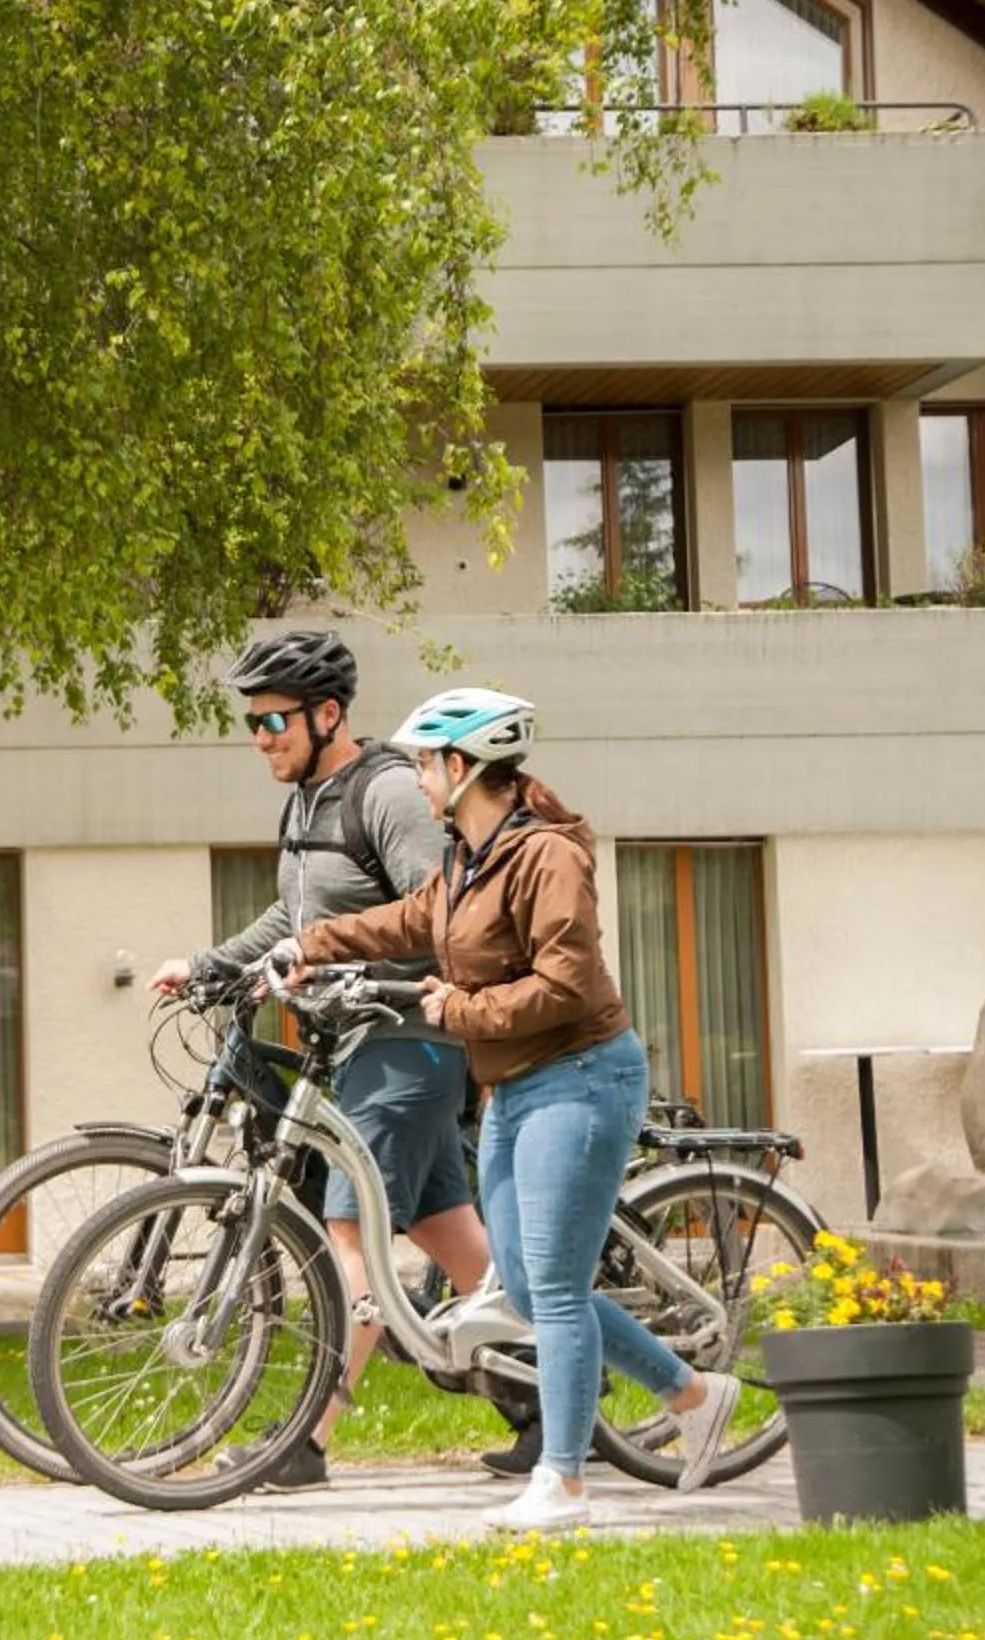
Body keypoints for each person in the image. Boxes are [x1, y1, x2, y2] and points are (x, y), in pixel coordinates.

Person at [280, 684, 742, 1532]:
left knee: (556, 1290)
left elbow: (563, 987)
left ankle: (563, 1482)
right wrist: (306, 943)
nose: (416, 777)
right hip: (513, 1084)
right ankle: (694, 1394)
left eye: (424, 762)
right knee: (528, 1288)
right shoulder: (464, 859)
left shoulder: (547, 858)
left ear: (462, 767)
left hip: (582, 1077)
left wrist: (456, 1013)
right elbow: (406, 919)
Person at [146, 629, 496, 1492]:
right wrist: (210, 964)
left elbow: (439, 913)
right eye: (252, 724)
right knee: (453, 1242)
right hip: (359, 1050)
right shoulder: (307, 802)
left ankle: (305, 1439)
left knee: (349, 1239)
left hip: (409, 1045)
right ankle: (551, 1395)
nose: (260, 738)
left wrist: (348, 969)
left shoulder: (385, 795)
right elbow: (293, 920)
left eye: (274, 721)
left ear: (326, 713)